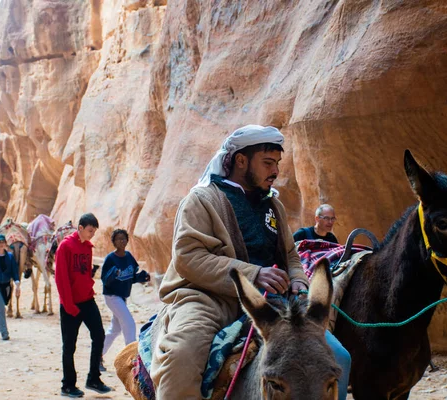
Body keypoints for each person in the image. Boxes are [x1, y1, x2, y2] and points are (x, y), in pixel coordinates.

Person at [150, 125, 317, 399]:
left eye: (277, 163)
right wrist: (254, 276)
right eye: (267, 163)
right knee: (182, 354)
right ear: (241, 161)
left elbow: (290, 256)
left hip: (269, 303)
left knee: (335, 355)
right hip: (207, 299)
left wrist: (298, 279)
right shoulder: (202, 200)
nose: (275, 171)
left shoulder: (275, 207)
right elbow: (188, 257)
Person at [55, 213, 112, 397]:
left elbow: (84, 274)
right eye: (89, 230)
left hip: (88, 300)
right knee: (69, 346)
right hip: (70, 305)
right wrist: (69, 305)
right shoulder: (65, 246)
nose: (92, 234)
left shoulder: (88, 247)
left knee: (99, 335)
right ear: (80, 228)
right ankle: (67, 385)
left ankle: (93, 379)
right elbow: (61, 278)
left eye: (94, 231)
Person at [98, 229, 150, 365]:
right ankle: (132, 359)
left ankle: (97, 355)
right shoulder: (110, 258)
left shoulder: (128, 257)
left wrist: (142, 277)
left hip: (122, 297)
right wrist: (113, 273)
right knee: (129, 324)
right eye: (118, 239)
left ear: (127, 240)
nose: (121, 241)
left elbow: (131, 277)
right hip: (112, 296)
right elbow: (104, 279)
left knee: (115, 329)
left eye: (123, 238)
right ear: (113, 242)